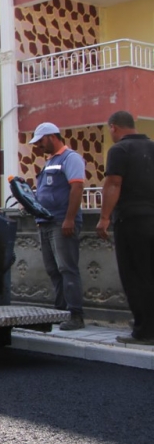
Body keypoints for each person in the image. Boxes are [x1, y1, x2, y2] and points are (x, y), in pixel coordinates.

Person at [96, 111, 154, 345]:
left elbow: (113, 184)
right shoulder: (152, 147)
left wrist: (104, 217)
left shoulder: (119, 150)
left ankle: (144, 331)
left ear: (113, 127)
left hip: (132, 221)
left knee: (136, 276)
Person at [30, 122, 86, 331]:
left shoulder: (70, 158)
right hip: (46, 222)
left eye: (40, 141)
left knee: (67, 268)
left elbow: (77, 186)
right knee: (53, 269)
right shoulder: (51, 161)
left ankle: (75, 314)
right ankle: (61, 310)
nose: (38, 146)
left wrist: (69, 219)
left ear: (52, 137)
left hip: (61, 221)